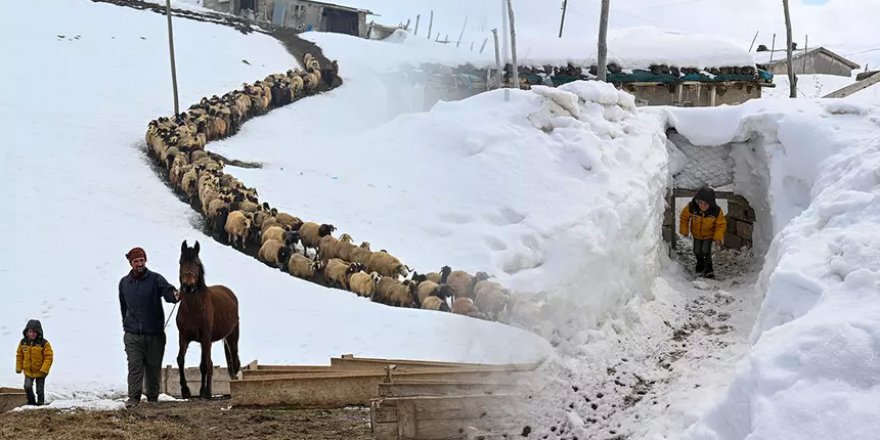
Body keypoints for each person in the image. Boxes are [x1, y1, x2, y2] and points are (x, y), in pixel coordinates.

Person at [119, 247, 179, 408]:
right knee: (135, 367)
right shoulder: (124, 283)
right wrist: (126, 325)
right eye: (136, 261)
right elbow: (123, 306)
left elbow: (167, 292)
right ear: (131, 263)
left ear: (145, 260)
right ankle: (133, 398)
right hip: (132, 335)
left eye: (141, 260)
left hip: (154, 334)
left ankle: (153, 398)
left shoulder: (155, 279)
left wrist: (174, 295)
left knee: (153, 368)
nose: (139, 263)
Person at [679, 185, 727, 279]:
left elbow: (720, 224)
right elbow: (684, 217)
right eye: (701, 203)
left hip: (708, 235)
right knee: (697, 251)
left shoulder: (716, 211)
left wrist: (717, 237)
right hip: (696, 235)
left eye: (706, 204)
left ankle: (709, 269)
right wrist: (684, 230)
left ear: (711, 203)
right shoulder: (692, 207)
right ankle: (700, 264)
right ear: (697, 201)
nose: (703, 206)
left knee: (705, 251)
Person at [15, 319, 53, 406]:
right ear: (27, 332)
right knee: (27, 386)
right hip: (28, 371)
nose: (32, 334)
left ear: (38, 332)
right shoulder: (23, 342)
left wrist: (44, 369)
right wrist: (19, 367)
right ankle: (31, 402)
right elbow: (19, 355)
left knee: (39, 390)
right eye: (30, 332)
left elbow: (49, 357)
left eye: (34, 332)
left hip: (40, 371)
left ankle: (40, 404)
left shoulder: (44, 343)